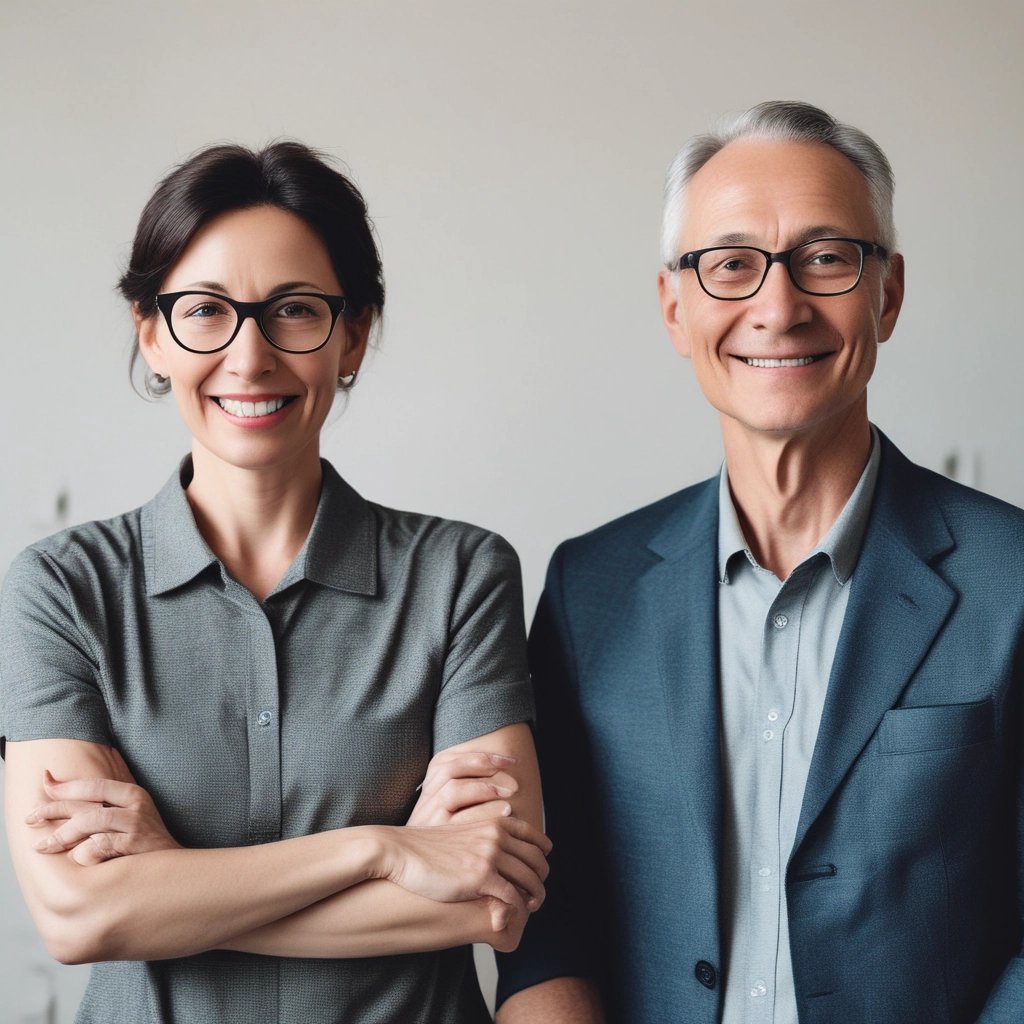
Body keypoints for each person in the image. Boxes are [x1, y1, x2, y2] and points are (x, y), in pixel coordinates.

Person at [496, 101, 1024, 1023]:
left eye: (825, 258)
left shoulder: (1012, 579)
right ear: (675, 306)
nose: (777, 309)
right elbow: (551, 911)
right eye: (730, 264)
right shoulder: (590, 588)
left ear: (887, 294)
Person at [1, 141, 551, 1024]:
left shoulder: (460, 576)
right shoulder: (62, 590)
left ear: (354, 335)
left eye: (294, 311)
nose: (249, 358)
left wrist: (166, 887)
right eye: (205, 312)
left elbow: (488, 898)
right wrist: (382, 851)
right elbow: (80, 913)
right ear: (152, 335)